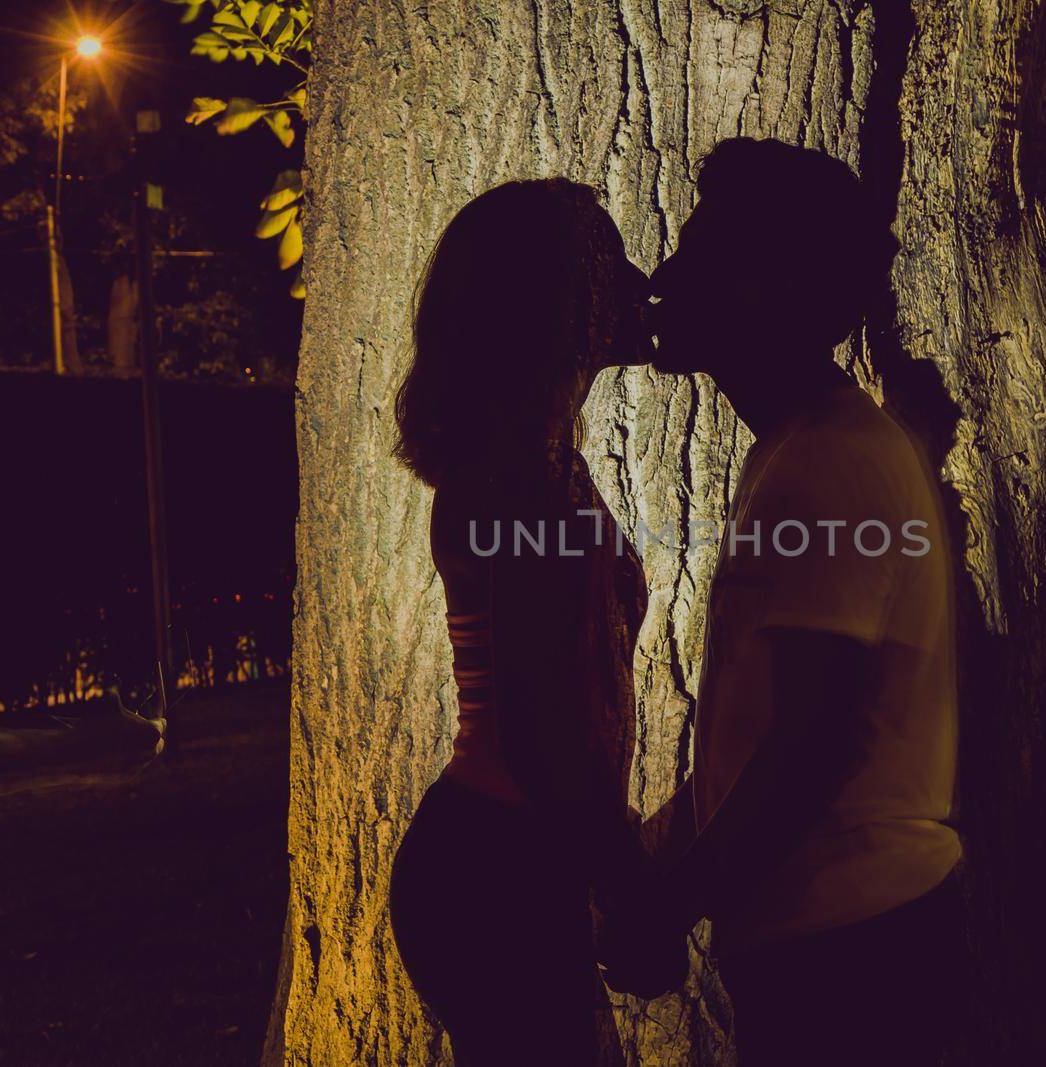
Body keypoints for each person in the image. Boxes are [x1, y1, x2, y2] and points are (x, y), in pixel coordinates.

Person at [600, 139, 965, 1064]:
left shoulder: (826, 466)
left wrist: (665, 911)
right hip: (848, 929)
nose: (666, 275)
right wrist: (665, 848)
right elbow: (773, 726)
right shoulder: (807, 447)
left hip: (849, 951)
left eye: (698, 252)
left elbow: (809, 742)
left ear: (762, 288)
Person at [387, 179, 677, 1066]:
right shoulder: (518, 481)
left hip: (503, 856)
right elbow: (543, 724)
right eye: (605, 264)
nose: (639, 283)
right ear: (552, 303)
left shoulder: (539, 466)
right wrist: (626, 889)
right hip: (499, 868)